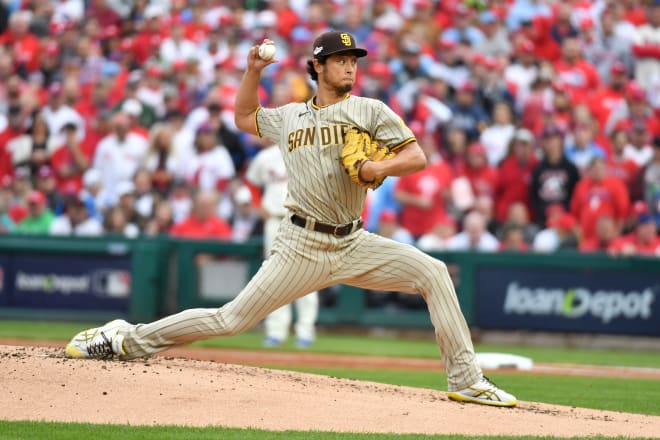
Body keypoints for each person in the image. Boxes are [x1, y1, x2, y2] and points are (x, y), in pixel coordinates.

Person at [64, 31, 516, 407]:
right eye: (340, 60)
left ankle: (466, 380)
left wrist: (379, 168)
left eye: (353, 60)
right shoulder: (289, 117)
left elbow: (416, 156)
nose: (350, 67)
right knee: (230, 320)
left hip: (354, 242)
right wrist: (252, 72)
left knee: (433, 271)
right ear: (317, 66)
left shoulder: (370, 110)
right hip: (301, 245)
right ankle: (126, 339)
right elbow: (244, 116)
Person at [247, 142, 319, 348]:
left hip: (304, 220)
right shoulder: (266, 156)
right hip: (275, 219)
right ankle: (276, 331)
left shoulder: (309, 151)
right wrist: (257, 205)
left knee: (307, 273)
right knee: (274, 274)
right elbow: (252, 181)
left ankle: (305, 331)